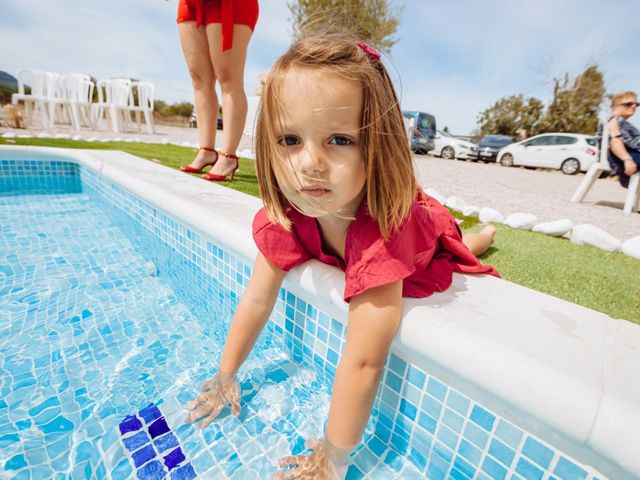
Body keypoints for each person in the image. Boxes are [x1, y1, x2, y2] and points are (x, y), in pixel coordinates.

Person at [185, 35, 499, 479]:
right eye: (290, 139)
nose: (309, 163)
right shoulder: (287, 215)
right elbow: (256, 299)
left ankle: (483, 233)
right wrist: (225, 375)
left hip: (421, 228)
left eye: (338, 139)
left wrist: (334, 454)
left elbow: (365, 359)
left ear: (377, 144)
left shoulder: (386, 230)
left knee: (459, 245)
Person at [176, 0, 259, 181]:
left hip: (230, 4)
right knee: (199, 79)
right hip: (190, 4)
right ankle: (206, 151)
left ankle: (228, 156)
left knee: (228, 78)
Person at [603, 91, 640, 186]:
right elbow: (615, 141)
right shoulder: (614, 120)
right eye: (628, 104)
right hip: (625, 158)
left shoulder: (619, 121)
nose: (634, 106)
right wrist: (627, 160)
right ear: (615, 106)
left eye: (636, 104)